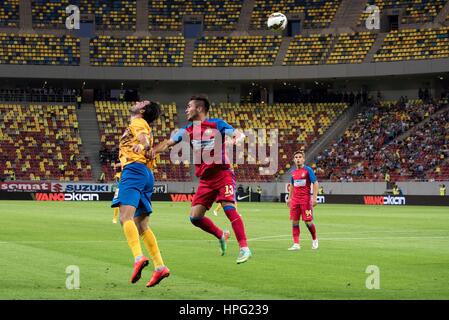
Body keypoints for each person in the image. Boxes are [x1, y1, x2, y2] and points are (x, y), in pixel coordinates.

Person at [152, 95, 252, 264]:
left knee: (228, 208)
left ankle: (244, 248)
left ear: (199, 109)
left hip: (223, 174)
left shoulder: (217, 124)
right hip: (205, 180)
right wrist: (154, 150)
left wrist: (237, 138)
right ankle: (221, 234)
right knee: (195, 218)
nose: (186, 109)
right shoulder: (187, 130)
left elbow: (237, 133)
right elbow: (169, 142)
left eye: (189, 106)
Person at [111, 100, 170, 287]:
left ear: (142, 110)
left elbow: (143, 138)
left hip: (134, 172)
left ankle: (138, 257)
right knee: (142, 225)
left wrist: (143, 146)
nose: (137, 102)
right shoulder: (142, 126)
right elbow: (145, 146)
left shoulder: (137, 122)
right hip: (146, 173)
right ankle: (160, 267)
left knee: (124, 217)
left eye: (141, 102)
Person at [286, 150, 319, 251]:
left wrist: (314, 198)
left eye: (300, 157)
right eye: (296, 157)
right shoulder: (293, 173)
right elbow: (292, 185)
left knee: (308, 222)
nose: (298, 159)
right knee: (295, 222)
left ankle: (314, 239)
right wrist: (289, 198)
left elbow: (315, 183)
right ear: (294, 160)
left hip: (305, 200)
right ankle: (296, 244)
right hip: (295, 200)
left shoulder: (308, 170)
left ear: (303, 159)